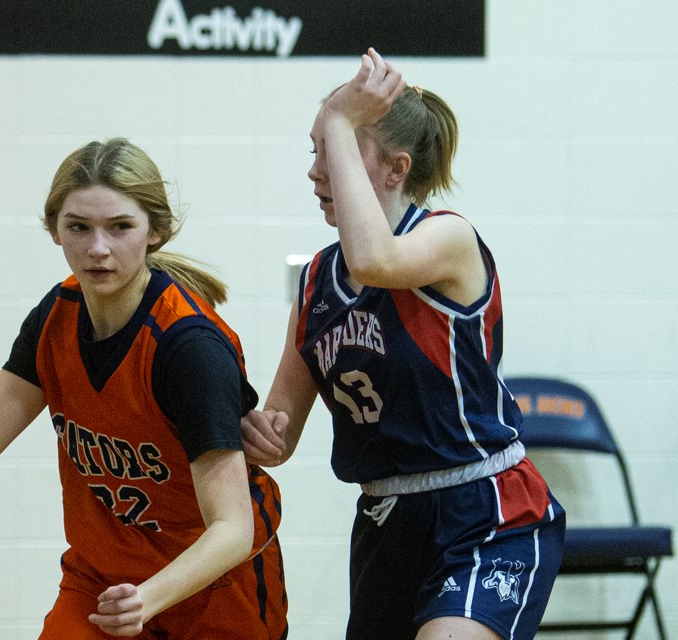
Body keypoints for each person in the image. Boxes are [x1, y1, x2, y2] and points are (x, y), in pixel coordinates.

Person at [0, 138, 287, 639]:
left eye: (119, 228)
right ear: (54, 229)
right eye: (78, 227)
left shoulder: (188, 347)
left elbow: (232, 529)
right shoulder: (56, 315)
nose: (98, 248)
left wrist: (145, 600)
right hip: (103, 577)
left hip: (211, 583)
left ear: (155, 231)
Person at [240, 48, 565, 640]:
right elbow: (279, 432)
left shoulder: (448, 239)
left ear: (396, 169)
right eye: (316, 149)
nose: (318, 170)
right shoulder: (317, 282)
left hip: (483, 507)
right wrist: (250, 429)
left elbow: (375, 257)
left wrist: (338, 115)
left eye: (337, 148)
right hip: (384, 518)